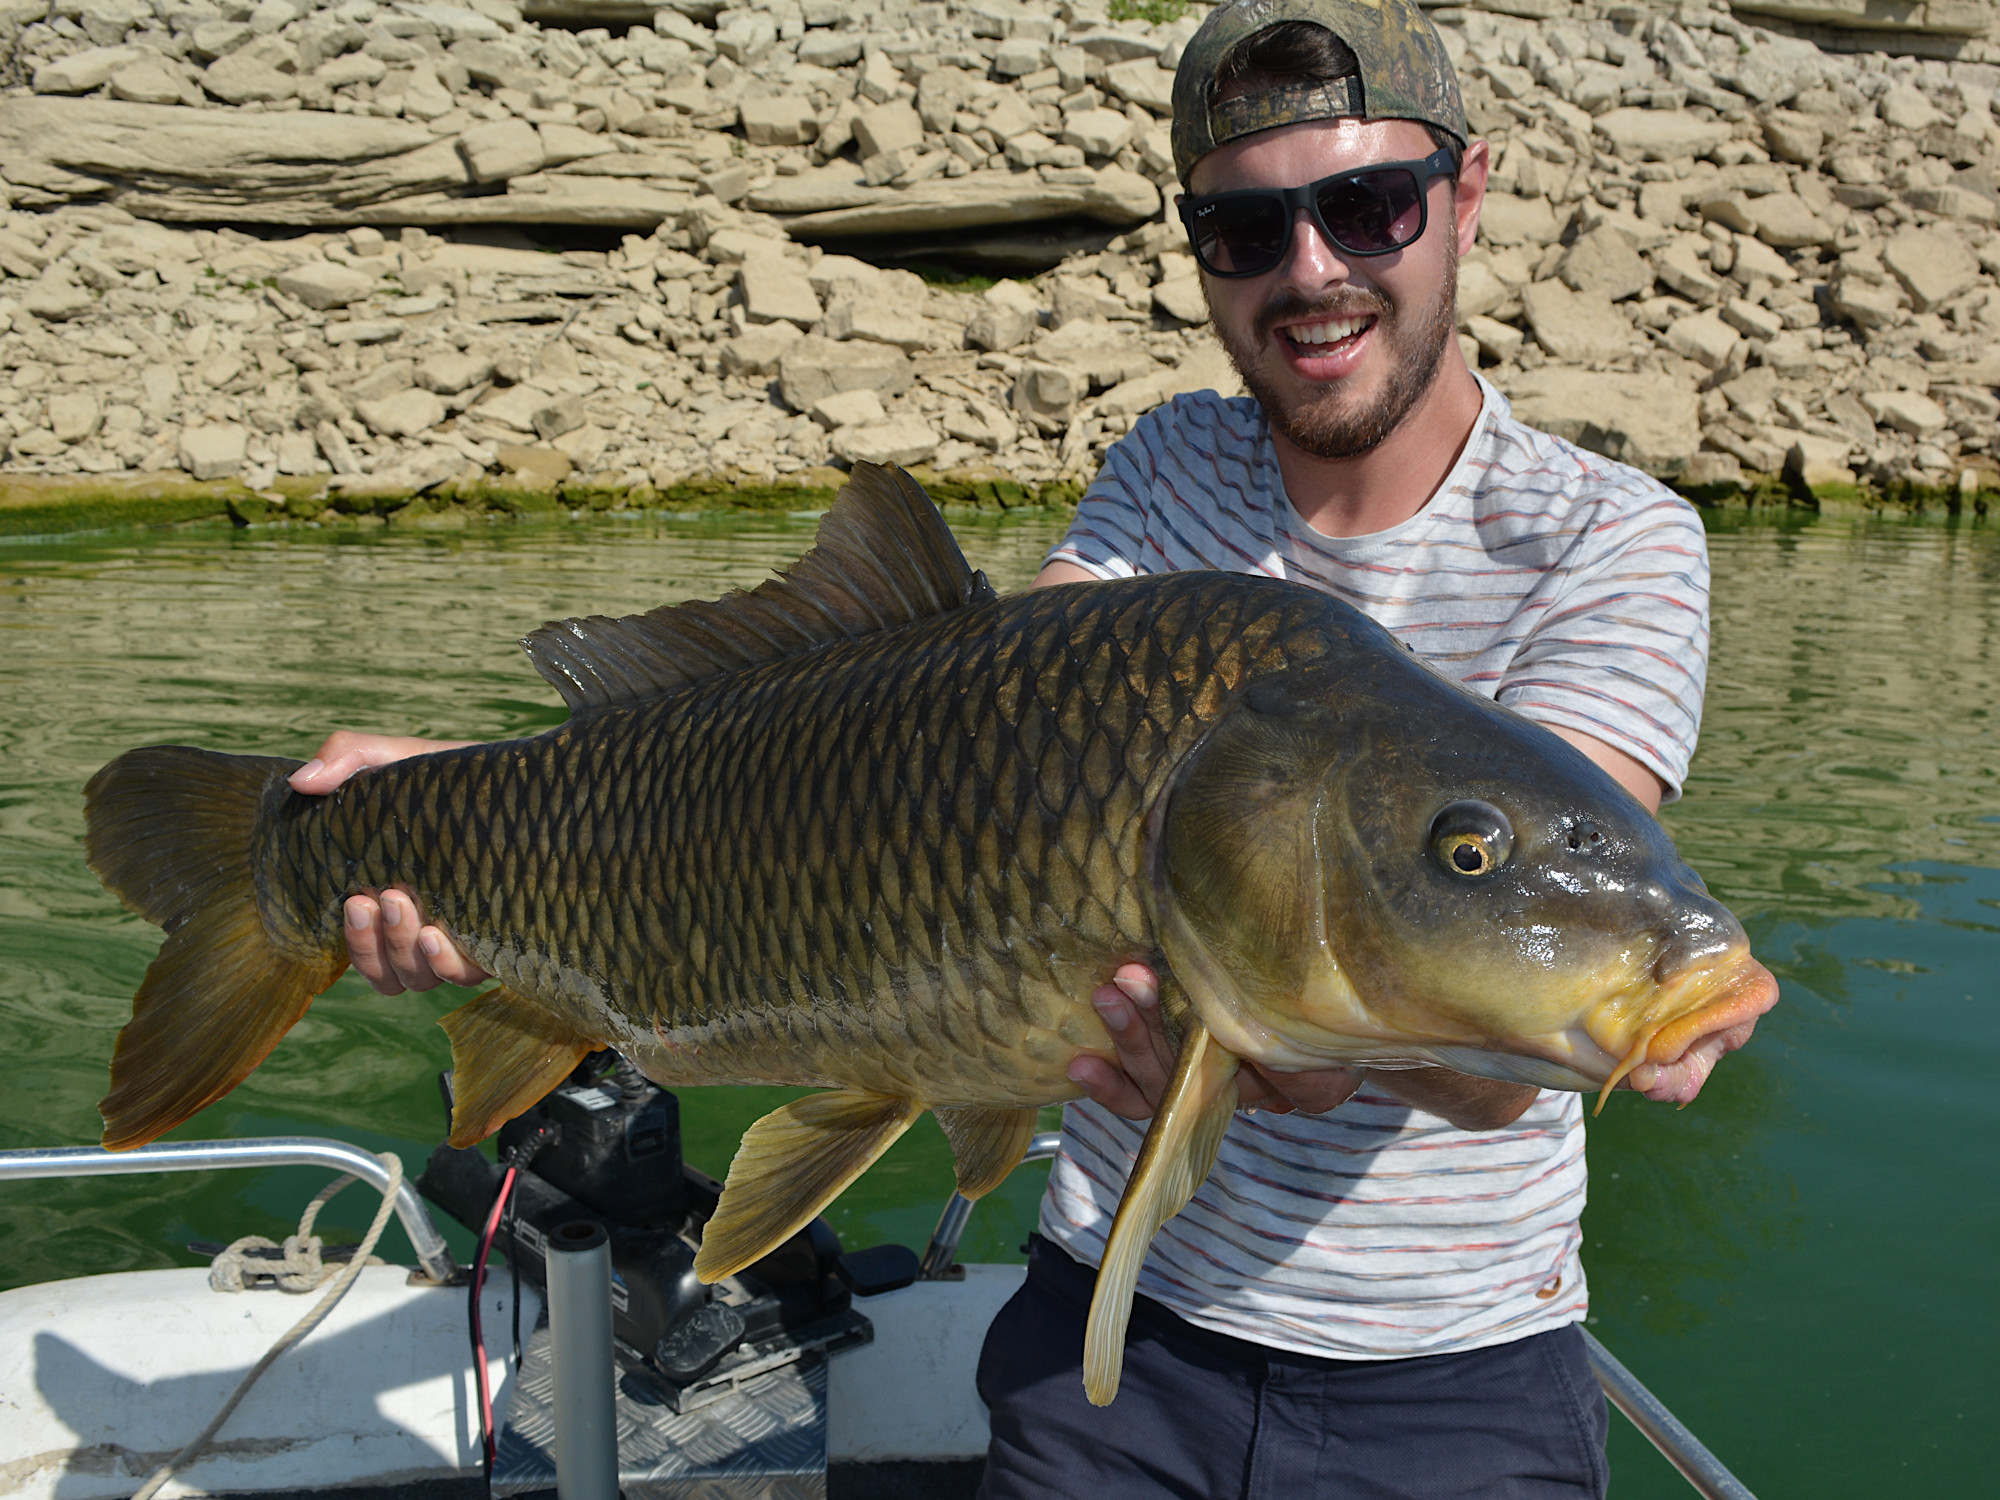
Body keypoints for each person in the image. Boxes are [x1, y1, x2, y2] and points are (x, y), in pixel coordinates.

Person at [294, 2, 1765, 1492]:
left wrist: (1425, 1028)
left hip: (1447, 1376)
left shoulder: (1614, 541)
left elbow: (1501, 1035)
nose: (1312, 271)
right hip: (1105, 1336)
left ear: (1463, 194)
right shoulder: (1171, 465)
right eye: (1245, 233)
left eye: (1367, 206)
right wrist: (458, 806)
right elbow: (945, 742)